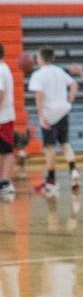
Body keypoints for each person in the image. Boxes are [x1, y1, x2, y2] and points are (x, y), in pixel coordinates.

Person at [27, 47, 80, 194]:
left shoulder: (38, 74)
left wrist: (40, 117)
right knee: (65, 143)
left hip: (49, 114)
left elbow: (39, 96)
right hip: (63, 110)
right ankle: (73, 171)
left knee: (49, 147)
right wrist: (70, 98)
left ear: (40, 58)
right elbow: (74, 84)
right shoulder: (59, 70)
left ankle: (51, 182)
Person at [0, 44, 15, 198]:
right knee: (5, 150)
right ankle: (4, 182)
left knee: (7, 150)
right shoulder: (4, 68)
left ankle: (5, 182)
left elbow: (0, 93)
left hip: (2, 118)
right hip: (5, 116)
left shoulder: (0, 69)